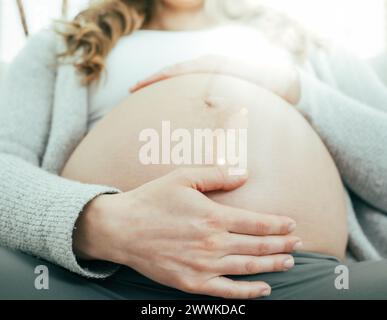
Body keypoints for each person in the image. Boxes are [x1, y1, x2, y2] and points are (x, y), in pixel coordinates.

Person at [0, 0, 387, 300]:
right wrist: (101, 223)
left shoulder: (305, 42)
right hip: (100, 280)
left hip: (311, 279)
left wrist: (295, 88)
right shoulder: (62, 43)